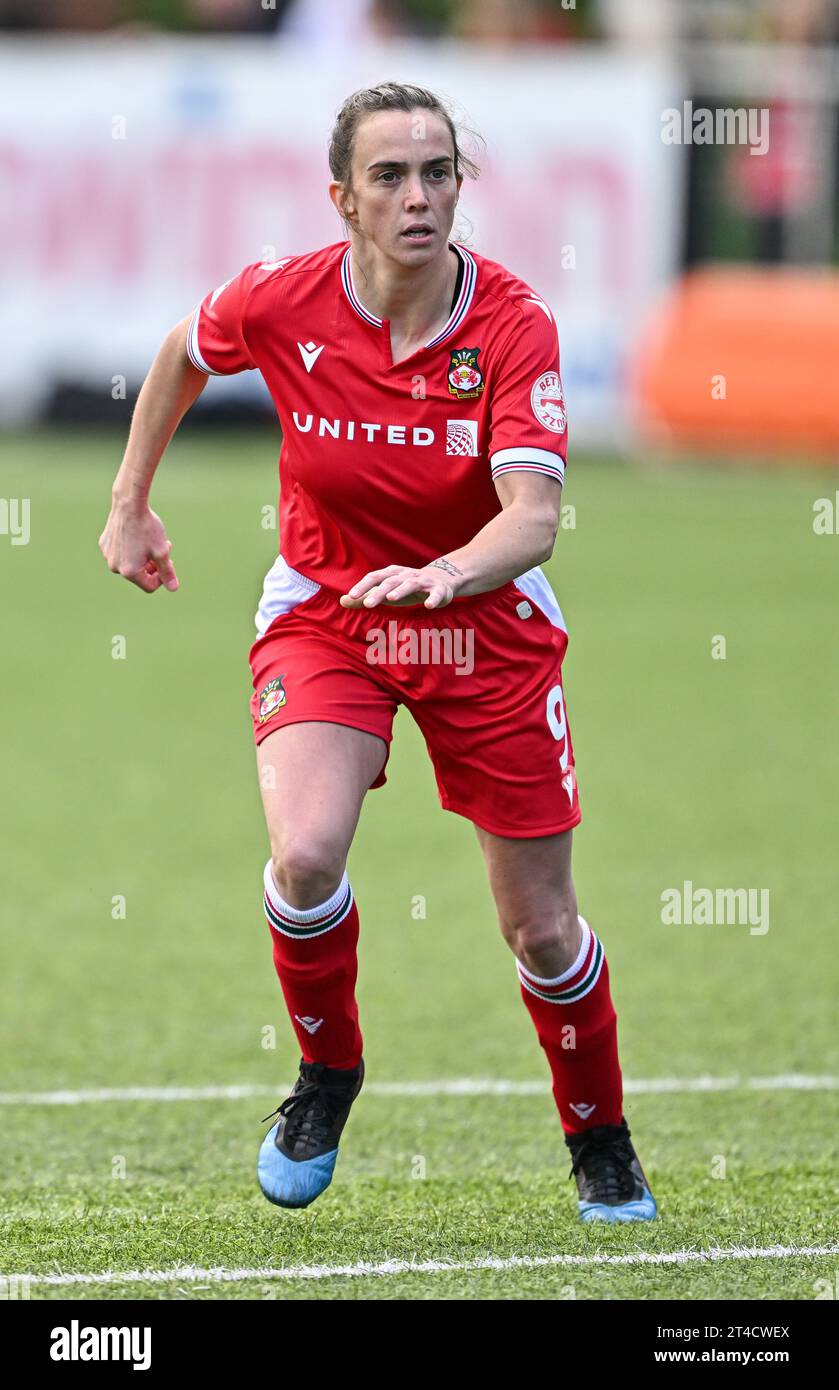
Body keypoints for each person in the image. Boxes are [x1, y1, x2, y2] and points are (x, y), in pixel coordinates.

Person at [98, 81, 657, 1224]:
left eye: (438, 172)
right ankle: (326, 1074)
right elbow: (181, 351)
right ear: (342, 196)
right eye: (391, 176)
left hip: (482, 625)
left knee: (541, 928)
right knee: (303, 855)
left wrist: (448, 572)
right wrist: (128, 503)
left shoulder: (508, 322)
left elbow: (531, 518)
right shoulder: (282, 297)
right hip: (331, 608)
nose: (418, 196)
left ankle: (599, 1138)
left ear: (461, 185)